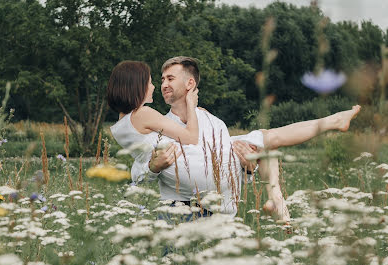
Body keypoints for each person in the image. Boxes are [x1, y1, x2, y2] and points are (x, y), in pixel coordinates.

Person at [109, 57, 361, 223]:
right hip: (182, 214)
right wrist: (153, 166)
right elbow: (146, 164)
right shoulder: (154, 120)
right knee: (267, 139)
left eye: (168, 79)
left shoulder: (210, 120)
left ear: (190, 83)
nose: (160, 85)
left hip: (221, 215)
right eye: (157, 80)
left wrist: (247, 168)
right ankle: (278, 195)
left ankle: (277, 196)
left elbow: (226, 162)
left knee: (265, 140)